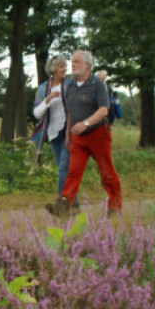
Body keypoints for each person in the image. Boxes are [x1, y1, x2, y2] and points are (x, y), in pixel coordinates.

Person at [46, 50, 122, 217]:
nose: (72, 65)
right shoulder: (71, 86)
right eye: (72, 62)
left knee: (107, 172)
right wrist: (67, 135)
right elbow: (69, 113)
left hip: (98, 135)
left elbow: (103, 110)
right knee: (72, 173)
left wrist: (86, 123)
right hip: (77, 138)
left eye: (77, 62)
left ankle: (115, 207)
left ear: (87, 65)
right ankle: (64, 205)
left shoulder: (97, 85)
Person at [33, 55, 78, 211]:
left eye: (65, 66)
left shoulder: (71, 85)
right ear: (53, 70)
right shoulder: (44, 89)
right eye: (61, 67)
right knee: (65, 169)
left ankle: (61, 203)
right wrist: (48, 99)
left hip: (69, 132)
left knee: (64, 168)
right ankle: (75, 204)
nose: (64, 69)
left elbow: (76, 108)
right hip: (53, 134)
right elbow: (37, 113)